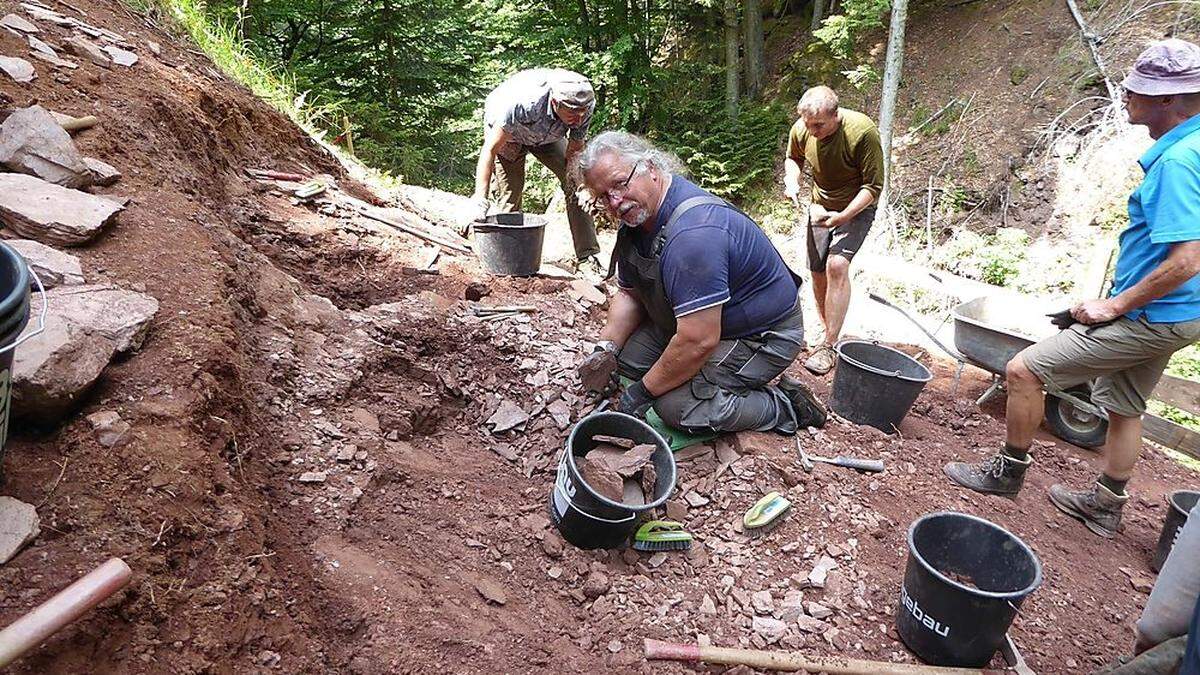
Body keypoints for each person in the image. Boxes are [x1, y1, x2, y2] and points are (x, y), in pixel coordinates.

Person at [943, 38, 1200, 538]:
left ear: (1168, 99)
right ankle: (1105, 506)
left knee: (1022, 370)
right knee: (1125, 407)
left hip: (1152, 313)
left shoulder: (1178, 163)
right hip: (1178, 314)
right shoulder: (1194, 146)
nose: (1126, 94)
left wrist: (1113, 306)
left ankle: (1006, 473)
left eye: (1137, 89)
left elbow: (1187, 259)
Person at [574, 131, 826, 434]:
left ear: (651, 168)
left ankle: (785, 406)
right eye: (603, 196)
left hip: (759, 334)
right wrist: (605, 350)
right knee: (627, 362)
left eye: (619, 183)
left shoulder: (694, 236)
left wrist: (642, 393)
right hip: (694, 321)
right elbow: (629, 296)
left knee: (677, 406)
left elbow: (699, 340)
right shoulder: (638, 221)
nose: (615, 202)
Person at [783, 86, 884, 375]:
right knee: (816, 270)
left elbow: (873, 187)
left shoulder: (862, 132)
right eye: (807, 123)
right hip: (820, 207)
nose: (811, 130)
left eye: (819, 125)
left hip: (856, 207)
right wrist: (793, 180)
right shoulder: (803, 127)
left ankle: (829, 345)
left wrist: (844, 216)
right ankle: (828, 330)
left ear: (835, 116)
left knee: (837, 265)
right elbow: (794, 157)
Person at [471, 68, 602, 274]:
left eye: (582, 113)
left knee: (575, 185)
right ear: (555, 103)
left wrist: (583, 186)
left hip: (548, 137)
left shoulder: (583, 106)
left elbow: (575, 152)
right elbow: (490, 149)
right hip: (510, 136)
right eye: (572, 113)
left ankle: (587, 256)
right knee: (510, 197)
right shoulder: (520, 105)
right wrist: (480, 199)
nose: (579, 118)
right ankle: (509, 260)